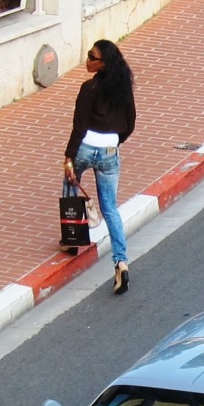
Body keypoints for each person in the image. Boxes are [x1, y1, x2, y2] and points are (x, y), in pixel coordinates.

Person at [64, 39, 136, 294]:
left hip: (85, 147)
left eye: (92, 57)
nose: (88, 60)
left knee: (71, 182)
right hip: (109, 151)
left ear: (103, 65)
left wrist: (69, 158)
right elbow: (130, 124)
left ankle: (72, 237)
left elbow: (79, 127)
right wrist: (114, 142)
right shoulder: (124, 90)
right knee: (110, 208)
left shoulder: (88, 89)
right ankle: (121, 261)